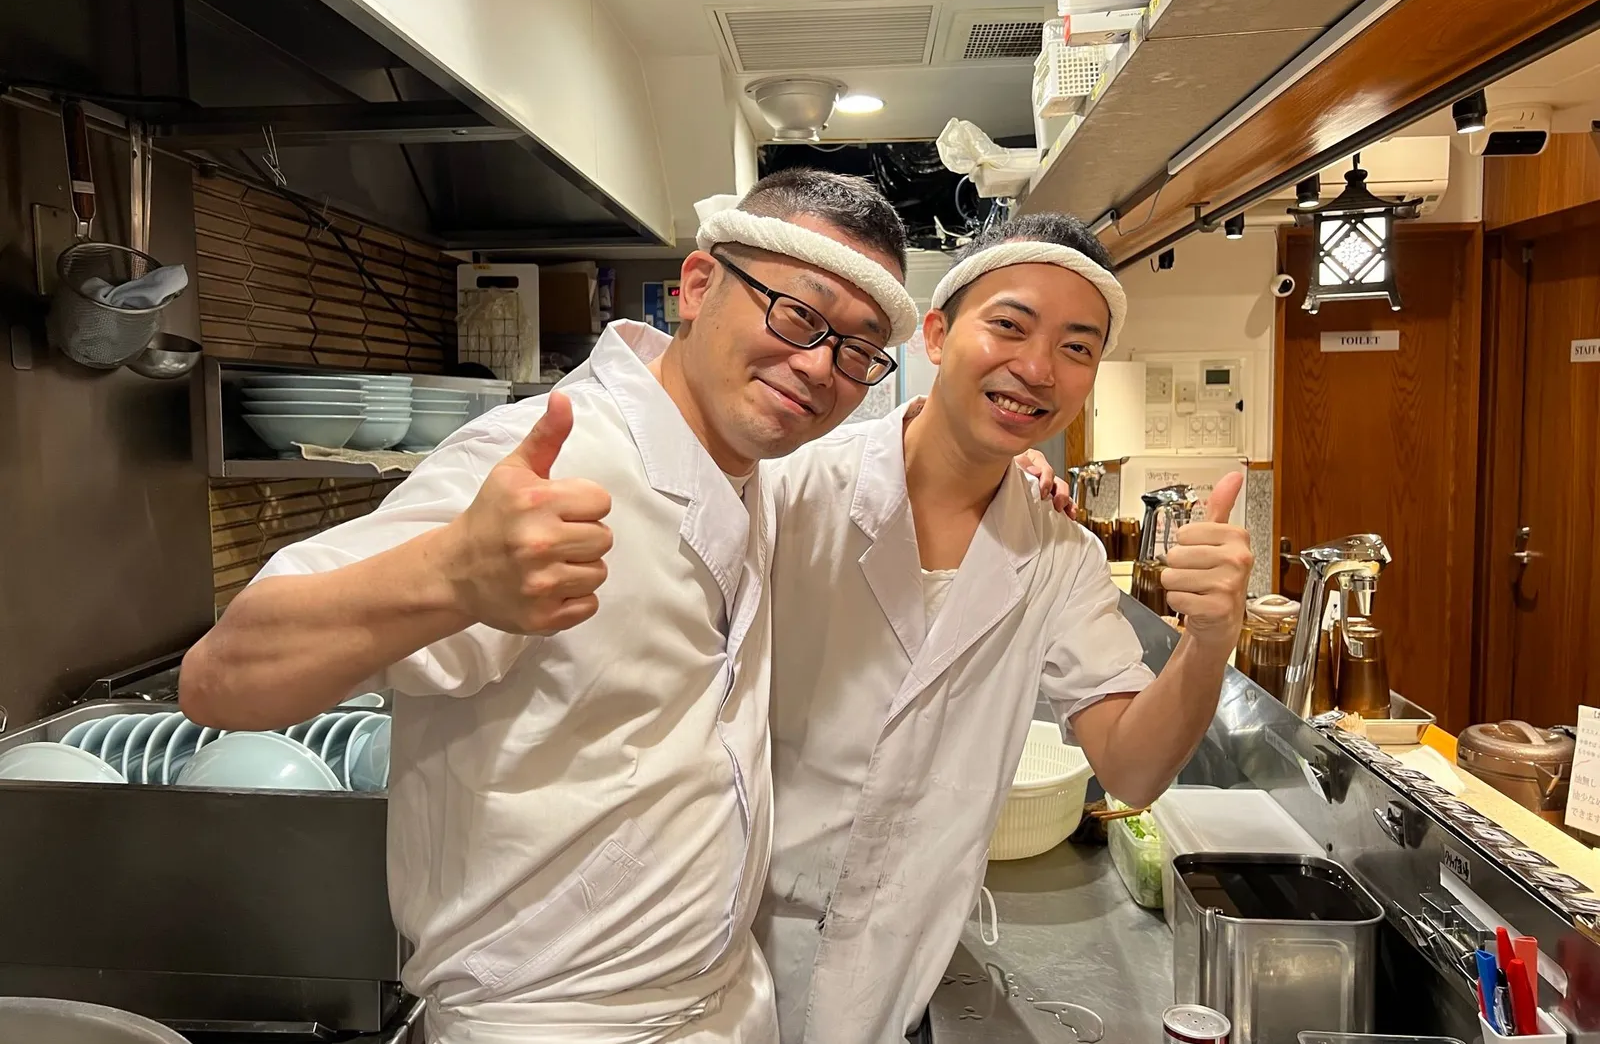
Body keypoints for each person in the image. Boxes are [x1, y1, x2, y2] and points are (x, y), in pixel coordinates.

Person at [177, 168, 926, 1044]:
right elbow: (219, 679)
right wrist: (455, 573)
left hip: (720, 1000)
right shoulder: (552, 459)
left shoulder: (747, 471)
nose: (816, 367)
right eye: (798, 314)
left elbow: (905, 453)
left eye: (855, 349)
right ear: (696, 284)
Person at [754, 212, 1254, 1044]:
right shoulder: (790, 489)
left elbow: (1130, 766)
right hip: (727, 954)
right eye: (1011, 326)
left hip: (895, 981)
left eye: (1077, 347)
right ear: (941, 334)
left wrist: (1209, 641)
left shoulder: (1061, 556)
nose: (1036, 368)